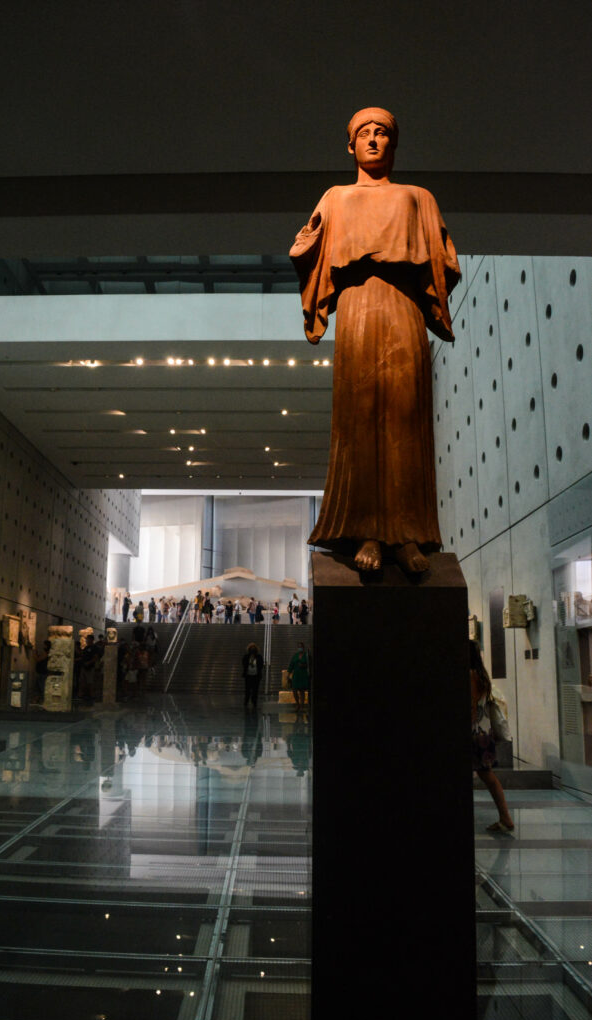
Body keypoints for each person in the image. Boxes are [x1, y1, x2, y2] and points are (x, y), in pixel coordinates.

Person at [290, 106, 460, 574]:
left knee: (405, 416)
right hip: (360, 309)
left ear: (393, 144)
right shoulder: (337, 198)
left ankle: (408, 535)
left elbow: (443, 257)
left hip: (404, 307)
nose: (373, 140)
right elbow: (312, 253)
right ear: (351, 145)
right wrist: (305, 245)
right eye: (364, 133)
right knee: (362, 415)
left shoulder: (417, 196)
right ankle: (366, 531)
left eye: (382, 133)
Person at [470, 640, 514, 833]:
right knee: (487, 776)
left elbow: (472, 707)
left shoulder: (471, 676)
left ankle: (506, 817)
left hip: (474, 734)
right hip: (483, 733)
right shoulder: (482, 675)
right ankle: (505, 818)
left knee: (487, 776)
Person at [287, 640, 311, 711]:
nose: (299, 648)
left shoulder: (306, 656)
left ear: (303, 647)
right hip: (296, 675)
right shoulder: (295, 655)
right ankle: (297, 704)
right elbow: (291, 665)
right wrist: (288, 674)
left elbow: (309, 665)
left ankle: (302, 706)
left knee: (302, 691)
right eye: (298, 647)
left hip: (303, 675)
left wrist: (304, 665)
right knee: (294, 690)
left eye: (301, 647)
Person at [242, 642, 264, 709]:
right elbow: (243, 663)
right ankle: (246, 701)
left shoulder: (259, 657)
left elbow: (261, 664)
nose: (252, 650)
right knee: (247, 689)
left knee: (255, 690)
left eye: (253, 649)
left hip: (256, 676)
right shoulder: (246, 656)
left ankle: (254, 702)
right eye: (251, 649)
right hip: (248, 675)